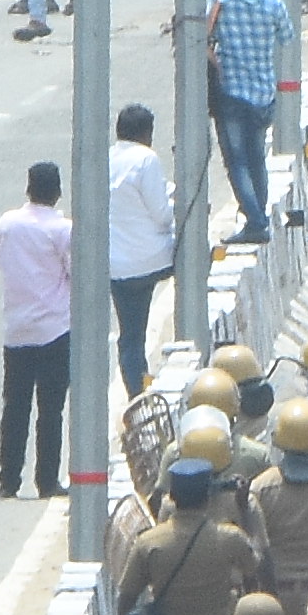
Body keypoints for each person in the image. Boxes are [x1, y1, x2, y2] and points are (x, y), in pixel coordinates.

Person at [0, 162, 73, 497]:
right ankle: (47, 481)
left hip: (17, 328)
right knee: (50, 410)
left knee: (15, 407)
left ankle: (8, 480)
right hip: (54, 328)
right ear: (57, 192)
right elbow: (74, 271)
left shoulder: (7, 224)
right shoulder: (62, 229)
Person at [206, 0, 292, 240]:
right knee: (257, 157)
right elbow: (287, 36)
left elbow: (204, 38)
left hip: (231, 93)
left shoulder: (220, 4)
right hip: (264, 94)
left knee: (236, 161)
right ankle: (259, 214)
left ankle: (255, 221)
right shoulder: (273, 4)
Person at [105, 105, 177, 397]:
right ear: (147, 133)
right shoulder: (146, 159)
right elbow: (162, 215)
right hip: (153, 259)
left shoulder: (105, 158)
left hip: (118, 267)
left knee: (130, 336)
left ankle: (136, 393)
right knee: (200, 251)